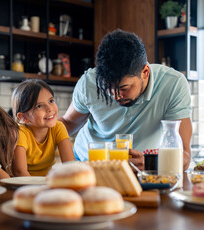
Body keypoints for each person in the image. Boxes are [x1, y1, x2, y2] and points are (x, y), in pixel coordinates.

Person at [59, 29, 192, 170]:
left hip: (141, 170)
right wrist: (37, 134)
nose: (115, 96)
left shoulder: (173, 84)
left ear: (145, 72)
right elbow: (67, 123)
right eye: (107, 88)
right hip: (86, 163)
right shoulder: (89, 82)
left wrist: (152, 163)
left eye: (124, 88)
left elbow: (184, 156)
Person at [11, 79, 75, 176]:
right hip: (24, 184)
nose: (49, 109)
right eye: (39, 106)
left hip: (46, 181)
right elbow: (20, 172)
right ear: (23, 117)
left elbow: (70, 166)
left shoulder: (58, 127)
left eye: (51, 101)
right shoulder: (20, 133)